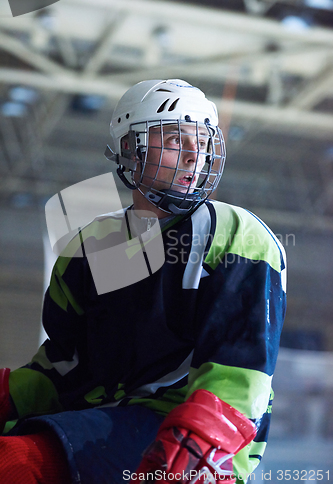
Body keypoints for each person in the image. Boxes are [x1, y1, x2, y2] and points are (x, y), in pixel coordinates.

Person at [0, 79, 286, 484]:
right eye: (175, 139)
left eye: (202, 141)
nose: (194, 156)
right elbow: (66, 366)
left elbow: (240, 371)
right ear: (129, 151)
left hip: (183, 435)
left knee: (13, 464)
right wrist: (8, 394)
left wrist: (196, 447)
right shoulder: (91, 246)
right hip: (98, 420)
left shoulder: (237, 234)